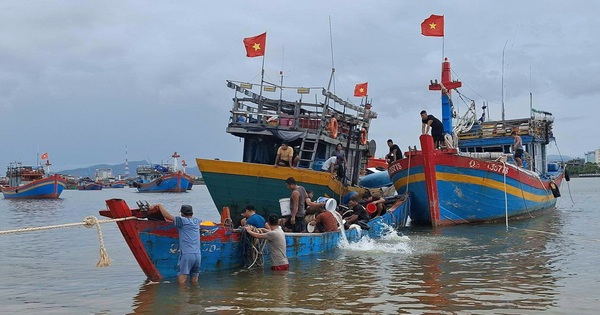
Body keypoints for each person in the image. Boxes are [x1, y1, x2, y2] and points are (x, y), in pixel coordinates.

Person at [155, 204, 201, 285]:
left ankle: (182, 297)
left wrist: (159, 205)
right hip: (197, 255)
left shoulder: (182, 221)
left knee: (182, 282)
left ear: (182, 213)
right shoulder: (197, 221)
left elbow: (167, 215)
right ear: (192, 213)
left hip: (187, 254)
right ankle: (195, 296)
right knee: (195, 281)